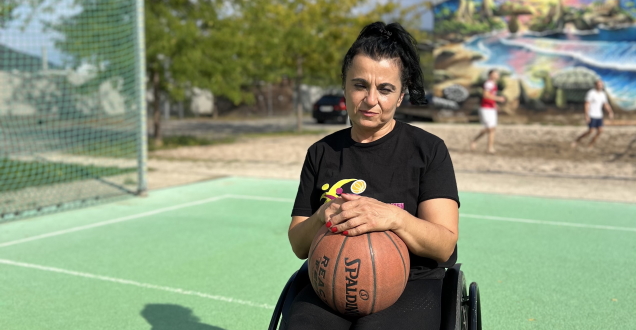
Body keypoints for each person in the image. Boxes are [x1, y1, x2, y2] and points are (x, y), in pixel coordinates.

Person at [286, 22, 460, 330]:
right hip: (329, 281)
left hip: (412, 283)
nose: (371, 100)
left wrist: (393, 218)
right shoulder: (321, 152)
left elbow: (444, 245)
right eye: (360, 85)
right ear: (344, 87)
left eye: (385, 89)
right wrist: (324, 214)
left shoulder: (428, 150)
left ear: (401, 96)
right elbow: (299, 245)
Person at [470, 69, 506, 154]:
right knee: (490, 128)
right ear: (491, 75)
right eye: (496, 74)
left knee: (492, 129)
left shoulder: (493, 84)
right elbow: (486, 95)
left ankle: (486, 146)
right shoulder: (488, 84)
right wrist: (498, 99)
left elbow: (491, 96)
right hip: (485, 108)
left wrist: (495, 104)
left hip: (491, 108)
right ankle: (487, 147)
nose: (498, 75)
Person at [572, 79, 614, 149]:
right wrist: (586, 115)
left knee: (600, 131)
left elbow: (605, 104)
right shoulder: (591, 93)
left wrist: (610, 112)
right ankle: (577, 140)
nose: (600, 86)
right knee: (591, 131)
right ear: (595, 85)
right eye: (599, 84)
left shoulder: (603, 94)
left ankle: (591, 144)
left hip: (599, 115)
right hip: (592, 114)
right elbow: (586, 104)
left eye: (601, 85)